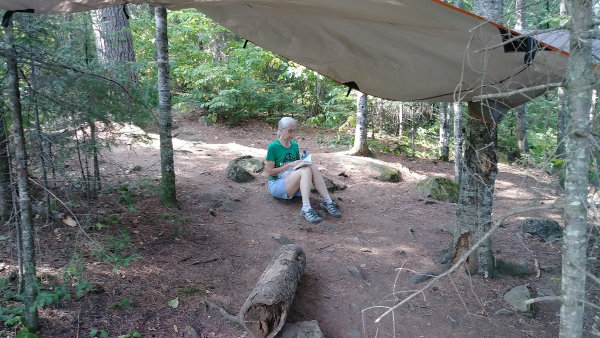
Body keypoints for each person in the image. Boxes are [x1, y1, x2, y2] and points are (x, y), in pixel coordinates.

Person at [265, 117, 341, 223]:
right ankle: (305, 208)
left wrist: (303, 162)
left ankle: (327, 201)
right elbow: (270, 172)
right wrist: (289, 165)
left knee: (311, 167)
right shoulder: (273, 147)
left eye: (294, 131)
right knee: (305, 171)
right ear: (280, 130)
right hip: (277, 184)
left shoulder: (294, 146)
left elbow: (297, 167)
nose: (292, 134)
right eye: (289, 131)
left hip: (293, 180)